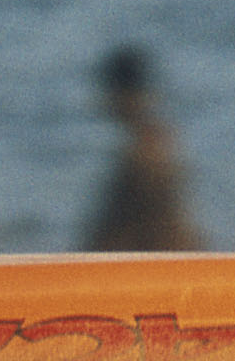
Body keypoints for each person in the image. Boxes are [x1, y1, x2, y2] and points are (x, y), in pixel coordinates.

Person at [80, 44, 199, 254]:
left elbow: (118, 230)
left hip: (158, 263)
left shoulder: (144, 153)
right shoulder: (159, 142)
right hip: (172, 256)